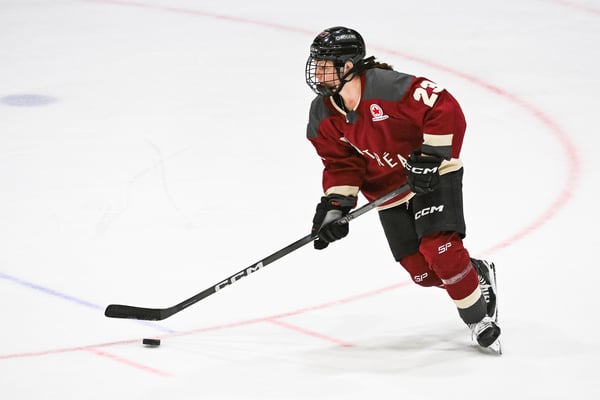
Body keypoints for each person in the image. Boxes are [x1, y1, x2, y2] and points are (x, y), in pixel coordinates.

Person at [304, 26, 501, 351]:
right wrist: (336, 206)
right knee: (422, 273)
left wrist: (430, 157)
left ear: (349, 66)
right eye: (317, 63)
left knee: (441, 250)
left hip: (430, 174)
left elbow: (444, 107)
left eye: (325, 65)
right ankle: (474, 271)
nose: (318, 72)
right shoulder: (322, 113)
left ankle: (480, 321)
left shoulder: (386, 88)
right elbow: (340, 162)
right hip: (387, 190)